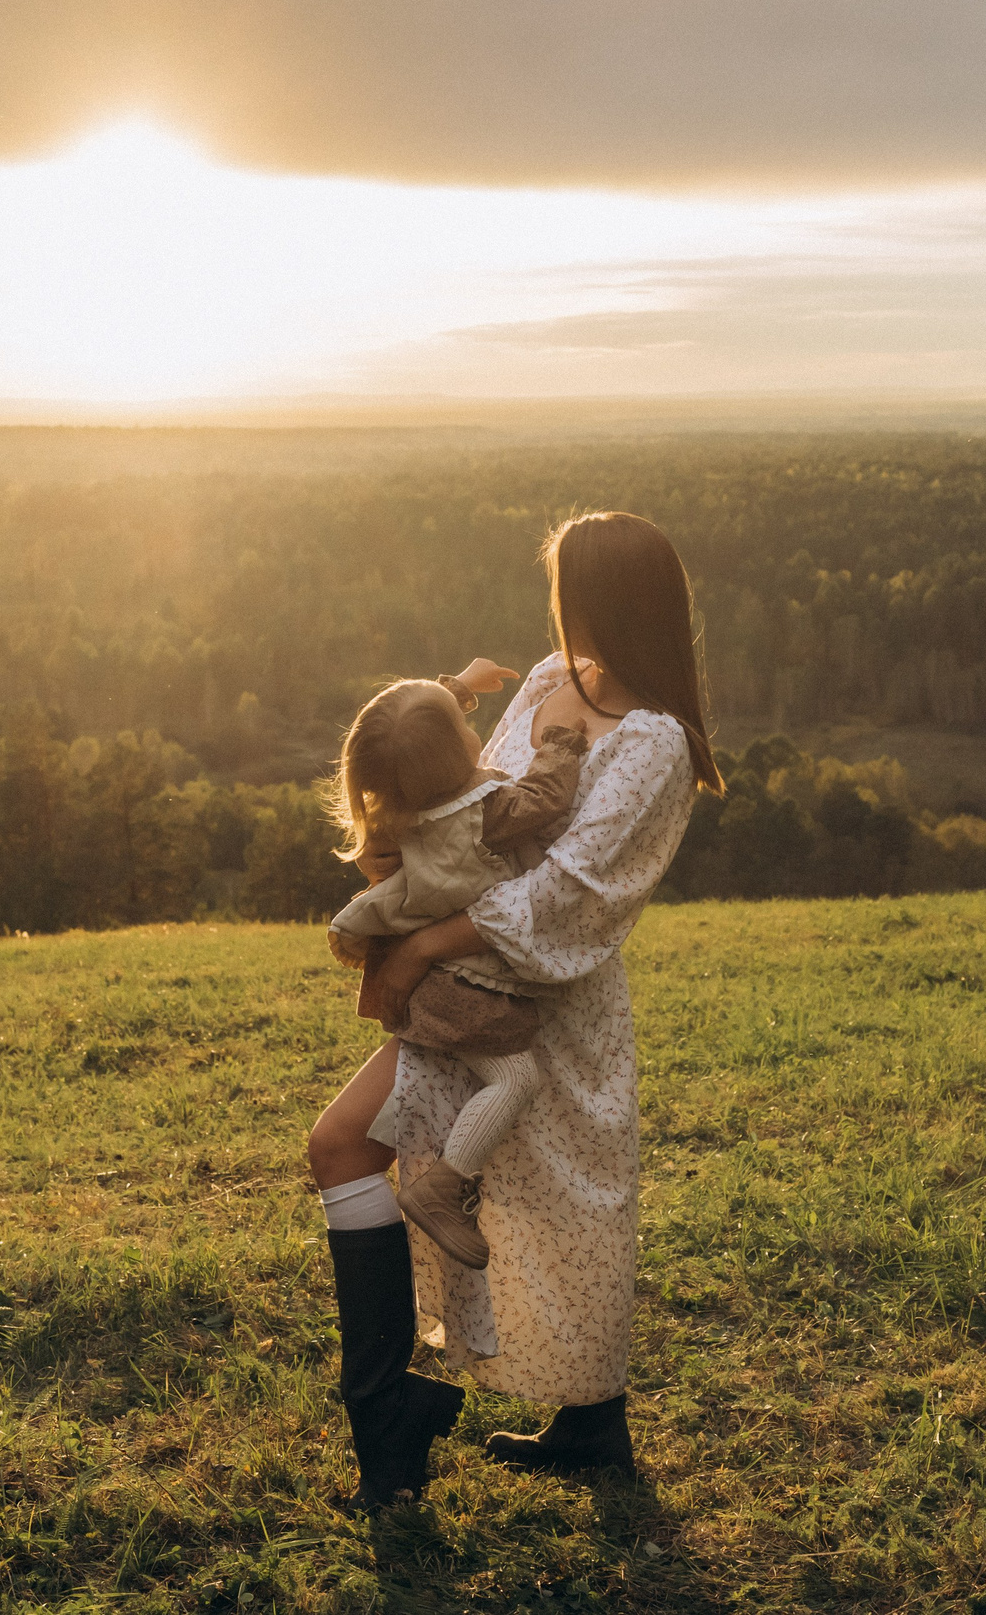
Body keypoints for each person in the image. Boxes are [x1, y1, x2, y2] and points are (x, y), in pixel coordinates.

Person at [305, 511, 724, 1512]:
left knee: (560, 1203)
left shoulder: (658, 741)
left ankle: (487, 1424)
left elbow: (574, 890)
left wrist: (415, 945)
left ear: (606, 597)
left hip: (547, 1003)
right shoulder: (547, 679)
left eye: (569, 587)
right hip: (466, 994)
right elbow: (478, 814)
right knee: (371, 1156)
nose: (558, 609)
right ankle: (484, 1422)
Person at [323, 666, 592, 1270]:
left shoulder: (402, 808)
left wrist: (455, 689)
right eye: (465, 723)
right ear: (460, 752)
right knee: (515, 1079)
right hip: (467, 989)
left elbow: (405, 746)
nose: (479, 733)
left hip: (433, 986)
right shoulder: (484, 811)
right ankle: (445, 1184)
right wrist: (561, 746)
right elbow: (547, 798)